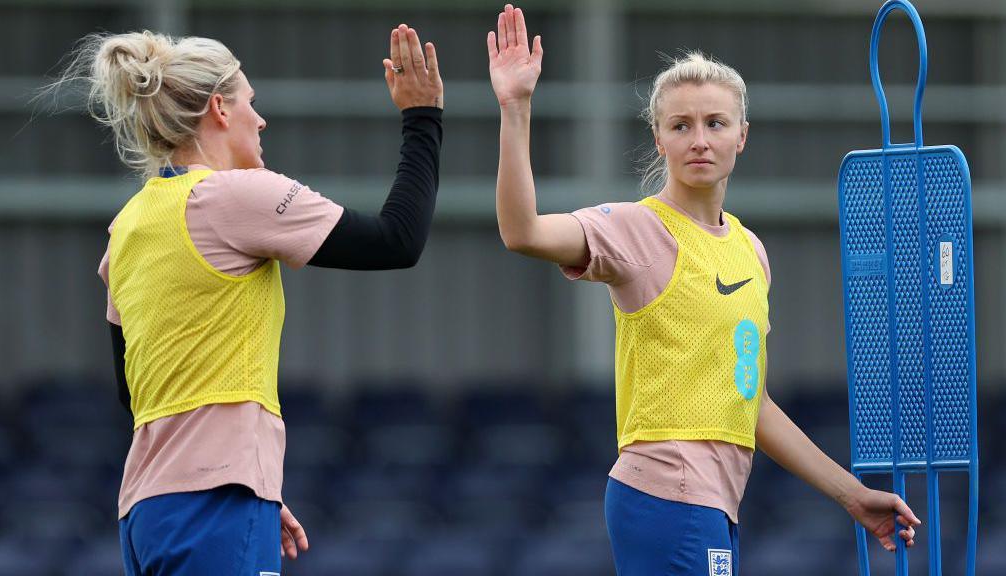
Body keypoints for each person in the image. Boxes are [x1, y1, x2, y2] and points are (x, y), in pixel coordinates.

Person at [486, 4, 920, 575]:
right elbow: (524, 232)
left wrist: (852, 495)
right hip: (666, 498)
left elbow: (752, 404)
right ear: (658, 137)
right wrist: (516, 108)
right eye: (680, 125)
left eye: (715, 123)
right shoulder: (635, 229)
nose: (699, 139)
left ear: (742, 135)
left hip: (714, 502)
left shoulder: (750, 251)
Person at [49, 23, 442, 574]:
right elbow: (397, 241)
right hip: (215, 504)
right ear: (219, 109)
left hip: (146, 508)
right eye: (251, 103)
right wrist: (422, 118)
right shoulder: (232, 196)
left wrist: (248, 478)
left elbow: (134, 392)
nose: (261, 120)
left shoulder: (127, 226)